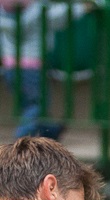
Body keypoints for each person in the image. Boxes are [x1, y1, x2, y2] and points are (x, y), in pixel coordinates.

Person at [0, 0, 88, 139]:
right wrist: (82, 7)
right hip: (33, 67)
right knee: (38, 105)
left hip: (10, 67)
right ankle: (20, 141)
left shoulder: (3, 15)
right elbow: (61, 16)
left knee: (29, 106)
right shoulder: (39, 12)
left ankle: (51, 133)